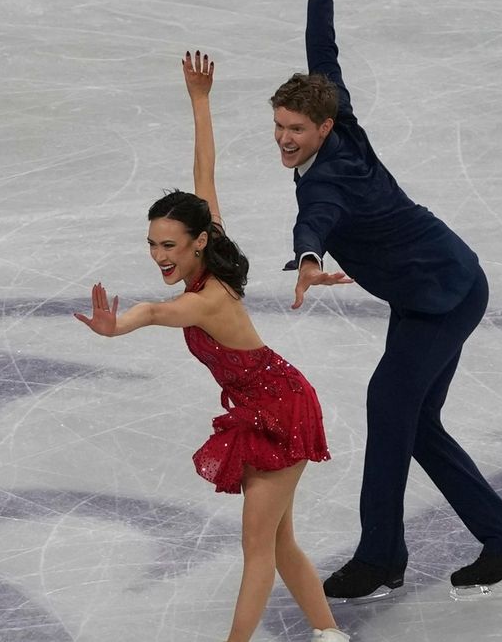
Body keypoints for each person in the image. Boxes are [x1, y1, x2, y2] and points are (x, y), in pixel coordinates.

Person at [274, 0, 502, 602]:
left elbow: (319, 218)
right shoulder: (338, 112)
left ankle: (381, 556)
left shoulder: (332, 177)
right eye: (278, 126)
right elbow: (320, 46)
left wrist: (308, 256)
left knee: (391, 405)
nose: (284, 138)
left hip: (442, 295)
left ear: (324, 129)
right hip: (438, 282)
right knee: (413, 419)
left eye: (295, 130)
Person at [75, 51, 349, 642]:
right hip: (262, 404)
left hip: (280, 409)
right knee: (278, 542)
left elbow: (150, 312)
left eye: (170, 244)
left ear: (198, 241)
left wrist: (114, 328)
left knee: (257, 549)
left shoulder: (206, 300)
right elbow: (205, 175)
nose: (160, 255)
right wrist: (200, 102)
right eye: (152, 243)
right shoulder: (211, 253)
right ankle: (329, 635)